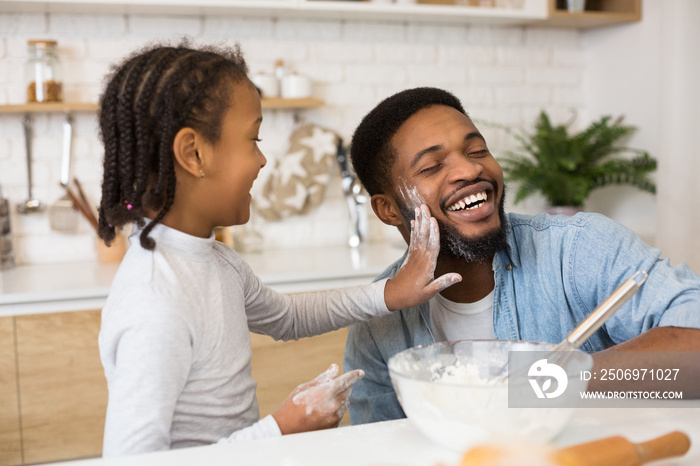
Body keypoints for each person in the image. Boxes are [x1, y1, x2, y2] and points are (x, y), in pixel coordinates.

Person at [96, 45, 461, 458]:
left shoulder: (216, 261)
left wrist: (389, 293)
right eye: (253, 139)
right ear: (194, 154)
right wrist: (281, 428)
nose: (263, 159)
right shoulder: (156, 303)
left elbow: (286, 318)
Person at [343, 87, 700, 425]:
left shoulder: (579, 248)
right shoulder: (378, 325)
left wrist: (549, 384)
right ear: (388, 209)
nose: (470, 171)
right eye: (432, 166)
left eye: (477, 150)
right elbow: (379, 445)